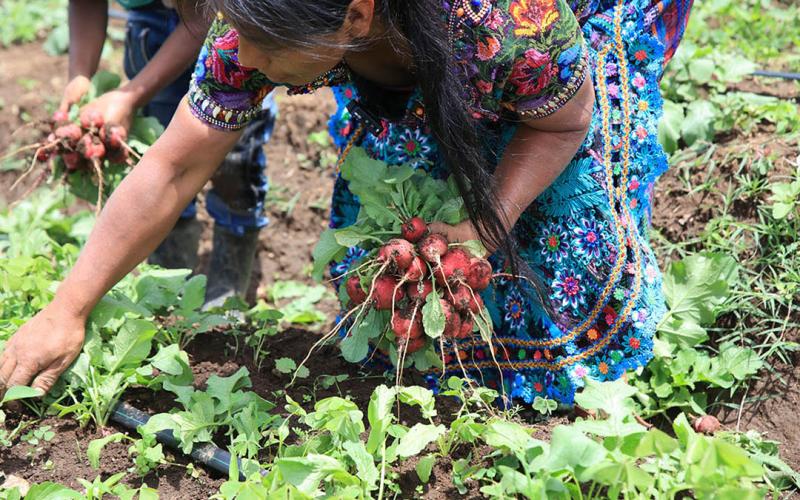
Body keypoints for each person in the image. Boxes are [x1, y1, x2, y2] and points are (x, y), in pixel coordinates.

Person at [0, 0, 693, 404]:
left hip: (567, 40)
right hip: (410, 50)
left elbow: (562, 120)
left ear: (355, 16)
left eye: (262, 48)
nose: (240, 54)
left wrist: (486, 225)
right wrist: (67, 308)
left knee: (563, 240)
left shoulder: (508, 21)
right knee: (396, 245)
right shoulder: (258, 18)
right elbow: (175, 167)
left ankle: (583, 397)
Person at [60, 0, 277, 306]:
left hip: (231, 25)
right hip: (151, 33)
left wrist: (132, 95)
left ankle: (230, 281)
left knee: (236, 161)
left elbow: (204, 16)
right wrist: (80, 76)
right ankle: (171, 278)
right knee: (160, 150)